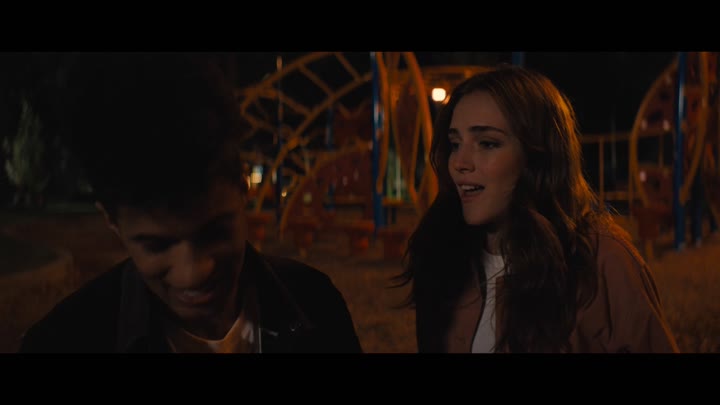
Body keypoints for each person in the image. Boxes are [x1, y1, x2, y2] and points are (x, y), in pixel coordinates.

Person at [18, 53, 362, 353]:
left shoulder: (317, 305)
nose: (193, 273)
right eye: (156, 246)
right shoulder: (62, 343)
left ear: (243, 187)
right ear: (112, 221)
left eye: (214, 232)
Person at [395, 64, 679, 353]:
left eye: (487, 143)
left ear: (536, 155)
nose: (459, 162)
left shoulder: (602, 263)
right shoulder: (441, 257)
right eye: (455, 143)